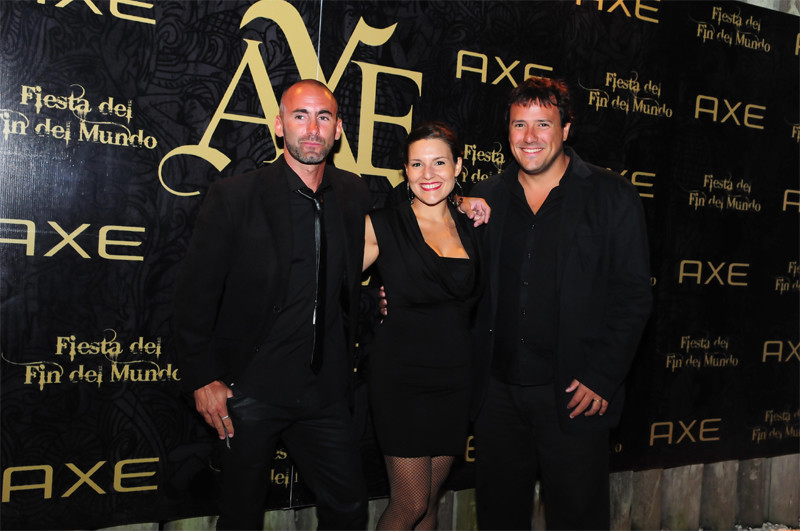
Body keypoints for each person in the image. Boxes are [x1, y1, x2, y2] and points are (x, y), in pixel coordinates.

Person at [172, 79, 370, 530]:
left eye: (324, 117)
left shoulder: (353, 193)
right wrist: (202, 377)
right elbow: (193, 296)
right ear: (280, 126)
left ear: (338, 129)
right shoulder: (236, 195)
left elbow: (411, 214)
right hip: (250, 391)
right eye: (300, 116)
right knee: (240, 517)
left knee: (349, 510)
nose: (313, 129)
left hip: (325, 393)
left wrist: (462, 201)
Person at [470, 77, 652, 530]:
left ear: (566, 129)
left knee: (578, 518)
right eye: (519, 125)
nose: (529, 137)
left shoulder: (612, 195)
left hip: (574, 392)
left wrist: (601, 377)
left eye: (543, 124)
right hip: (497, 395)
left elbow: (633, 296)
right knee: (497, 518)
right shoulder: (485, 197)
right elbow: (458, 279)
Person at [362, 122, 485, 530]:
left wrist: (466, 202)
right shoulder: (382, 224)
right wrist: (370, 301)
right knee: (410, 503)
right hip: (402, 382)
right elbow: (327, 282)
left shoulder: (471, 225)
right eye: (417, 164)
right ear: (405, 170)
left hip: (455, 380)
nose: (428, 174)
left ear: (458, 166)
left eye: (439, 163)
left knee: (430, 501)